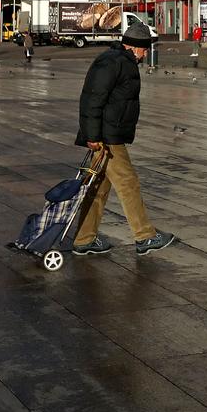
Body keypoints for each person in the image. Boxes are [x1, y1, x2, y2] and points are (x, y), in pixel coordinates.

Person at [71, 20, 177, 258]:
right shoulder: (113, 63)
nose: (146, 53)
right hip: (106, 138)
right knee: (128, 183)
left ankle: (83, 239)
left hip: (107, 134)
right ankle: (145, 236)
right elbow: (92, 99)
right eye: (144, 48)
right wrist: (92, 136)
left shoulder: (121, 61)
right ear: (135, 46)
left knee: (97, 189)